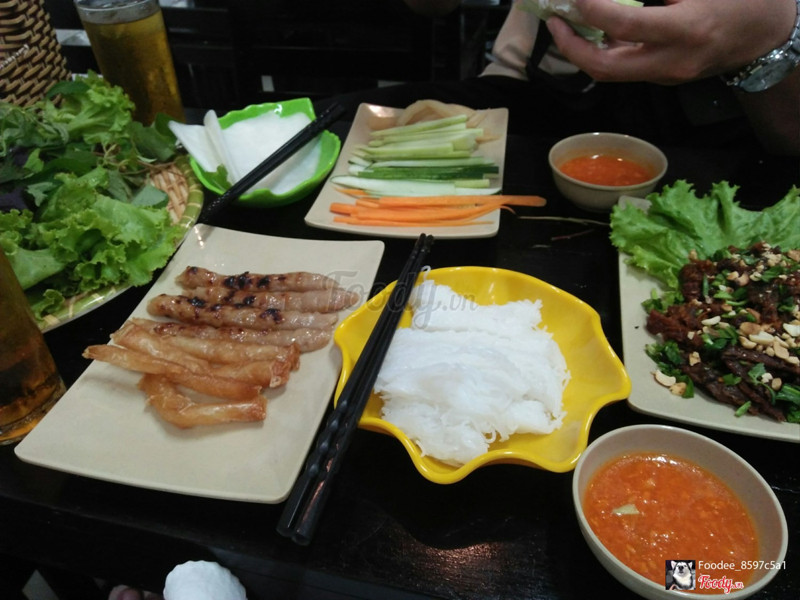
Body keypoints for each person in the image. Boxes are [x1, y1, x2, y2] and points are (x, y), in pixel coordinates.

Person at [319, 0, 799, 155]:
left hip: (726, 129)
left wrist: (772, 37)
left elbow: (789, 138)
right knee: (327, 128)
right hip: (529, 93)